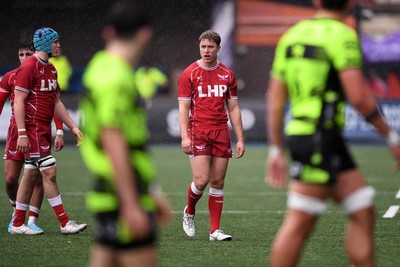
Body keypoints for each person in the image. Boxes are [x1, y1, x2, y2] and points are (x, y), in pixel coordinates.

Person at [265, 0, 400, 266]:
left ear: (316, 1)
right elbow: (359, 98)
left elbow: (275, 98)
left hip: (316, 137)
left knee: (363, 211)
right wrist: (391, 136)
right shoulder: (343, 34)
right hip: (319, 138)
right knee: (299, 222)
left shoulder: (293, 34)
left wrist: (276, 148)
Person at [80, 2, 170, 266]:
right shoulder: (118, 77)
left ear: (108, 32)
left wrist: (151, 190)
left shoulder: (99, 65)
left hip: (108, 190)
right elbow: (113, 138)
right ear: (145, 34)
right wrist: (131, 203)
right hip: (122, 194)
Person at [11, 27, 87, 235]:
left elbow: (56, 102)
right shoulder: (29, 66)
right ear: (45, 44)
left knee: (30, 173)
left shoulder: (51, 68)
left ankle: (18, 223)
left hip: (43, 128)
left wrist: (72, 127)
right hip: (33, 128)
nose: (59, 45)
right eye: (55, 42)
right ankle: (64, 222)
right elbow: (18, 101)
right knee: (50, 172)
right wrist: (23, 133)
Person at [178, 30, 245, 241]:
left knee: (217, 181)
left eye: (210, 47)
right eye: (203, 47)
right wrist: (184, 137)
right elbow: (183, 109)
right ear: (199, 48)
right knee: (201, 180)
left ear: (218, 48)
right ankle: (189, 212)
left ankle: (214, 231)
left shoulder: (228, 74)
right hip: (198, 130)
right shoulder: (189, 74)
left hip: (221, 132)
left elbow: (233, 108)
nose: (206, 51)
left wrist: (240, 139)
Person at [0, 39, 65, 234]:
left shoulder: (45, 71)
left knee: (37, 175)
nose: (24, 58)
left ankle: (32, 220)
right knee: (11, 178)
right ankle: (17, 212)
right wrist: (20, 133)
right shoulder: (10, 77)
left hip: (36, 130)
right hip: (17, 132)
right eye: (21, 54)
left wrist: (59, 130)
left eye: (28, 54)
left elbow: (52, 103)